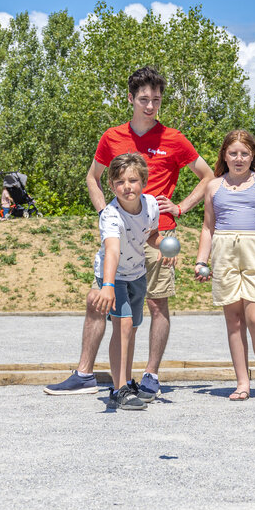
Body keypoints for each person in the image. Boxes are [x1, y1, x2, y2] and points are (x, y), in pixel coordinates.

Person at [45, 66, 214, 399]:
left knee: (156, 306)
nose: (150, 106)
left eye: (156, 100)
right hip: (118, 236)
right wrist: (106, 214)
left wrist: (179, 208)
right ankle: (84, 373)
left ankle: (150, 374)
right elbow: (93, 177)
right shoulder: (113, 136)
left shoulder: (174, 139)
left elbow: (208, 176)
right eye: (143, 99)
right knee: (100, 302)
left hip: (156, 235)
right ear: (131, 99)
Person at [194, 130, 255, 401]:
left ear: (253, 155)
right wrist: (202, 260)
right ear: (225, 155)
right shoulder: (214, 186)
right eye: (233, 153)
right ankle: (242, 382)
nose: (239, 158)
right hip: (224, 252)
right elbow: (208, 227)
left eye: (244, 153)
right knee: (234, 321)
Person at [86, 153, 168, 409]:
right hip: (113, 276)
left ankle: (127, 381)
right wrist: (108, 286)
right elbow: (112, 250)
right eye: (120, 182)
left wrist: (163, 245)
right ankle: (118, 389)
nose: (127, 187)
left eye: (133, 180)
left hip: (136, 272)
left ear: (143, 181)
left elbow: (150, 234)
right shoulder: (110, 215)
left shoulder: (151, 205)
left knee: (130, 329)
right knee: (123, 326)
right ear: (111, 186)